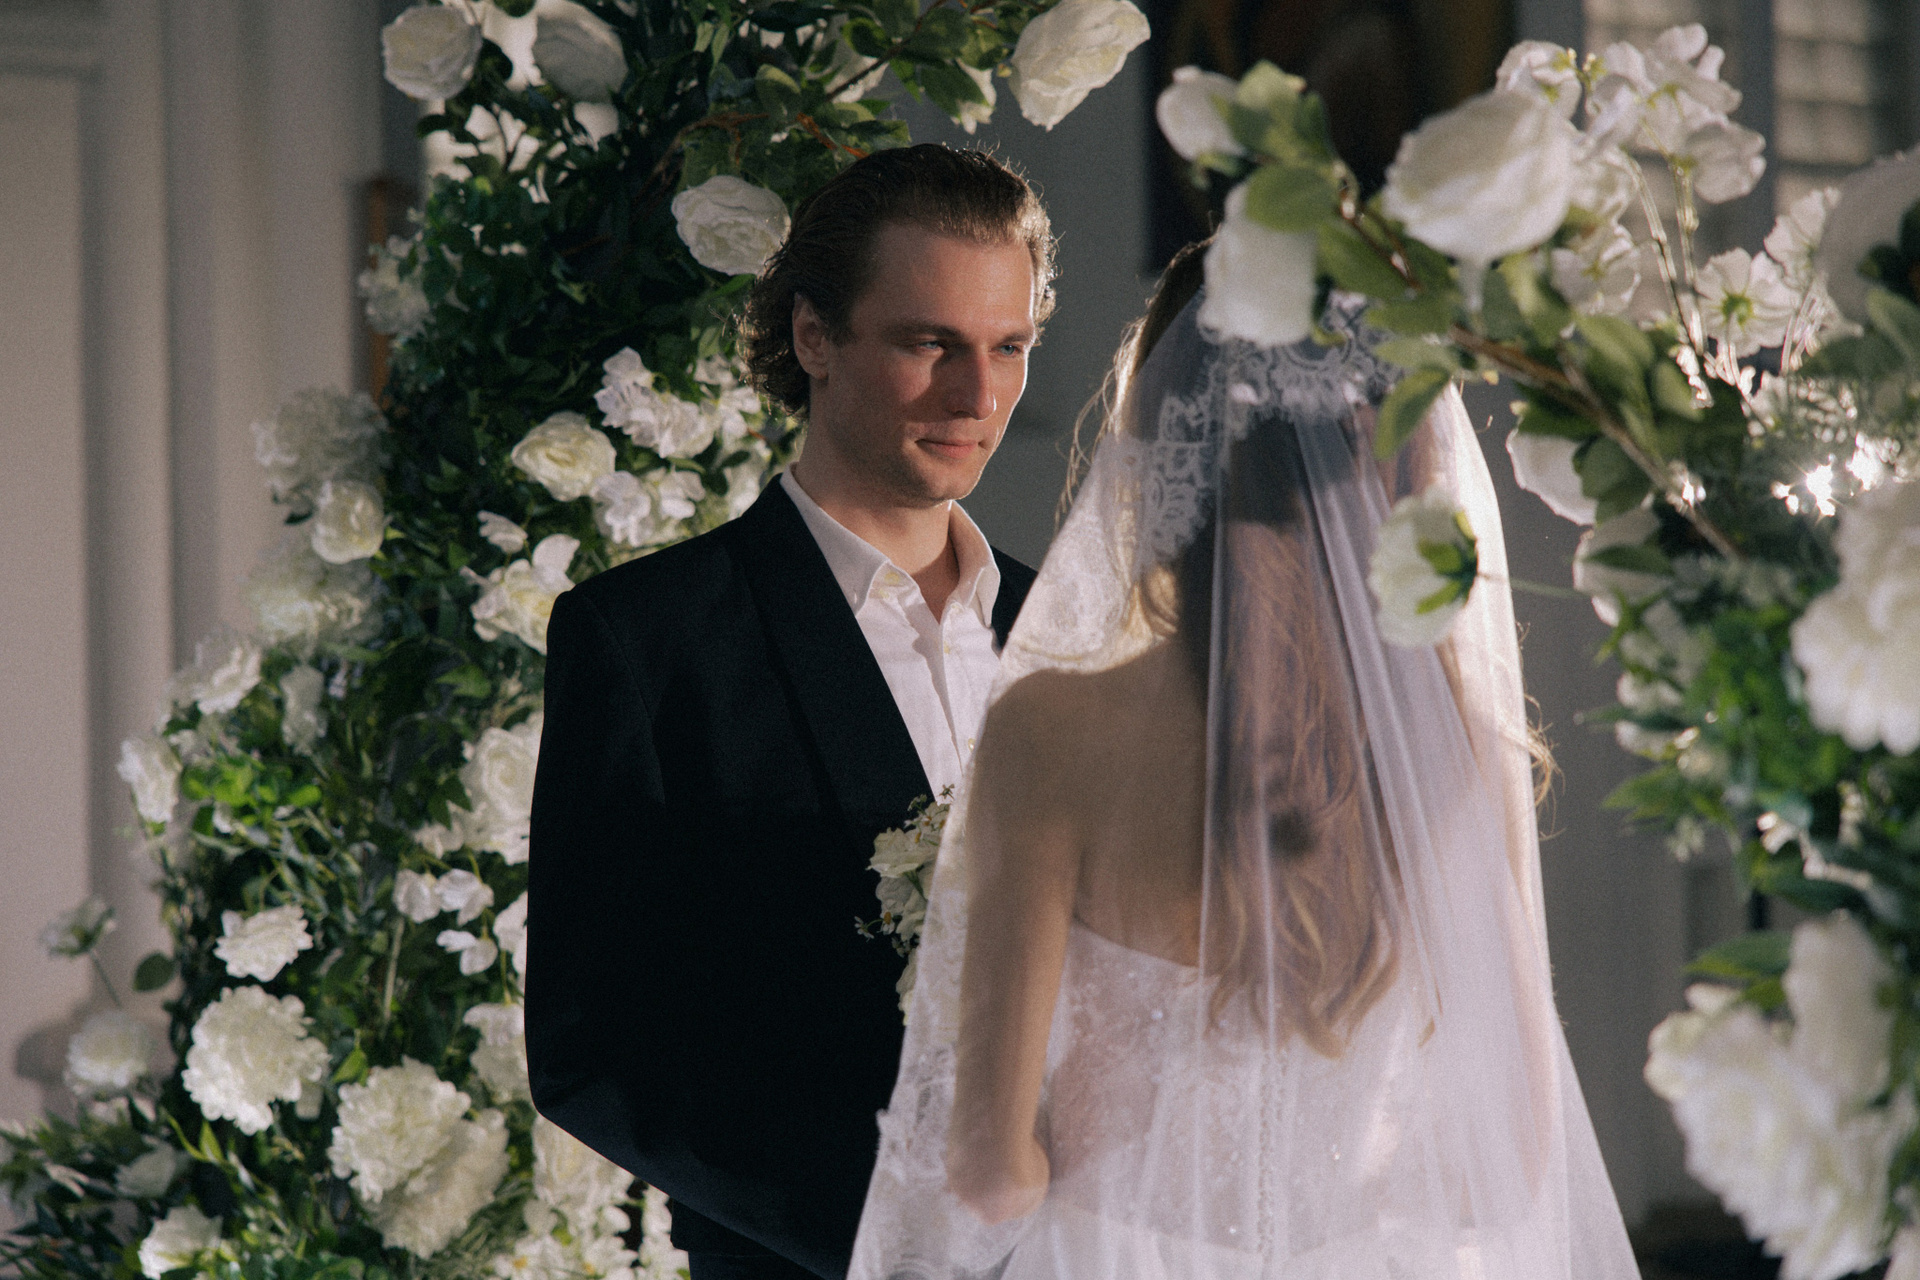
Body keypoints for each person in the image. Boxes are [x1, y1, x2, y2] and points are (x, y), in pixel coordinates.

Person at [849, 246, 1644, 1279]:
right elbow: (1515, 1157)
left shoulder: (1052, 732)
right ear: (1404, 467)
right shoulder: (1456, 755)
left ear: (1161, 445)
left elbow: (990, 1172)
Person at [526, 144, 1050, 1280]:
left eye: (1008, 347)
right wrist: (908, 1241)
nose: (978, 396)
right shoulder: (646, 640)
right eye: (930, 344)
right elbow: (589, 1049)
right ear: (814, 335)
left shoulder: (1077, 630)